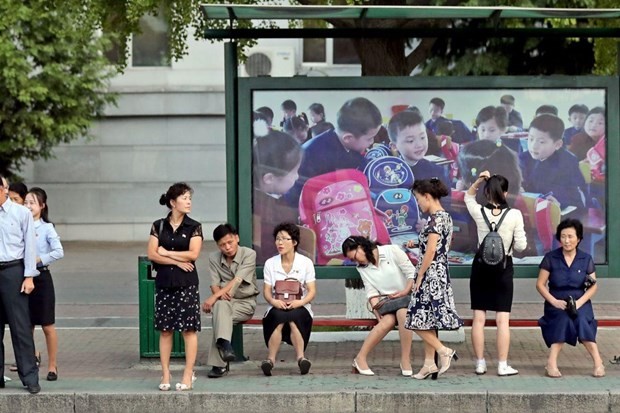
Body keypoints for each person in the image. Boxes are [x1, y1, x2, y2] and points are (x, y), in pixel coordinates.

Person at [465, 171, 527, 376]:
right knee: (502, 320)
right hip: (503, 268)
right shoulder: (515, 215)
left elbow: (468, 196)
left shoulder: (478, 212)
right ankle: (502, 365)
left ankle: (480, 363)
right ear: (506, 193)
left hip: (481, 267)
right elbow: (521, 245)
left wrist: (479, 180)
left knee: (478, 318)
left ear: (487, 193)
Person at [405, 178, 463, 379]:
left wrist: (419, 276)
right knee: (427, 320)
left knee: (414, 319)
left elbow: (431, 251)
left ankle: (444, 351)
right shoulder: (444, 217)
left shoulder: (436, 219)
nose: (419, 203)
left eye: (419, 199)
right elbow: (434, 245)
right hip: (439, 273)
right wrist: (416, 243)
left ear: (427, 196)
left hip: (430, 275)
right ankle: (429, 364)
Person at [147, 182, 203, 391]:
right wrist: (176, 261)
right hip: (164, 283)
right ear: (173, 202)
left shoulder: (194, 226)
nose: (188, 201)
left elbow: (193, 254)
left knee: (189, 330)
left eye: (190, 198)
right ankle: (165, 373)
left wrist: (167, 253)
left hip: (186, 284)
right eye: (184, 198)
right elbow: (152, 254)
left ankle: (189, 373)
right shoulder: (158, 225)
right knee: (165, 330)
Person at [535, 219, 605, 378]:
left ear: (579, 238)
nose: (566, 240)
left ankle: (598, 362)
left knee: (581, 320)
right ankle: (551, 363)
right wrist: (553, 301)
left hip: (581, 302)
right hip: (557, 302)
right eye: (563, 236)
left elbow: (593, 285)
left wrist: (580, 303)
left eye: (570, 236)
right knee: (563, 319)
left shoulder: (585, 259)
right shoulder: (551, 258)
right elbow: (540, 284)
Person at [284, 97, 382, 205]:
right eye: (369, 138)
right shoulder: (313, 154)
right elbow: (295, 196)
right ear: (348, 138)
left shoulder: (352, 148)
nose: (372, 142)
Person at [341, 236, 415, 377]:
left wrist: (404, 292)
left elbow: (411, 273)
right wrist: (376, 311)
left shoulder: (391, 251)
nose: (357, 261)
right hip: (387, 302)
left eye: (355, 256)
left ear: (361, 246)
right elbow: (371, 292)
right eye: (353, 260)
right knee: (387, 321)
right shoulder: (362, 269)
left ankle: (405, 360)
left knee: (403, 313)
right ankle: (360, 358)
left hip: (406, 297)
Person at [0, 175, 40, 394]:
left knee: (20, 326)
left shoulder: (21, 213)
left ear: (3, 189)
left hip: (13, 270)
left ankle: (29, 376)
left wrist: (29, 276)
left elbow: (30, 246)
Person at [203, 224, 258, 378]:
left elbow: (237, 280)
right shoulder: (213, 258)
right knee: (221, 309)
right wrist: (218, 295)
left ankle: (219, 364)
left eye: (230, 242)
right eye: (222, 245)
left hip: (245, 303)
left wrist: (215, 296)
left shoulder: (249, 254)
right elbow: (214, 283)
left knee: (219, 316)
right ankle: (226, 345)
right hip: (224, 303)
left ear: (237, 238)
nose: (227, 247)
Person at [261, 222, 316, 376]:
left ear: (294, 242)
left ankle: (301, 359)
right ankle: (270, 361)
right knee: (278, 316)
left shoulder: (305, 263)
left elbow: (311, 291)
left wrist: (300, 302)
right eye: (278, 239)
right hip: (276, 305)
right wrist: (274, 302)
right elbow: (266, 291)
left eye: (285, 239)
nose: (280, 243)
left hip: (300, 305)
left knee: (293, 317)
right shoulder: (270, 264)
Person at [24, 187, 64, 382]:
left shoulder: (47, 228)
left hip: (42, 278)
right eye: (26, 203)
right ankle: (30, 362)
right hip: (23, 277)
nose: (28, 206)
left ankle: (52, 365)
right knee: (27, 325)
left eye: (32, 202)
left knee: (47, 325)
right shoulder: (21, 225)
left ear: (42, 206)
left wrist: (39, 259)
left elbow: (58, 251)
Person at [253, 130, 303, 263]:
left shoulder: (257, 199)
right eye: (294, 172)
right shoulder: (268, 213)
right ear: (269, 178)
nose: (297, 176)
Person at [519, 114, 587, 211]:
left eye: (541, 142)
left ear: (558, 144)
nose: (534, 146)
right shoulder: (523, 157)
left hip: (560, 211)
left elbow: (575, 195)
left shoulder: (568, 161)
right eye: (531, 139)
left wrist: (559, 202)